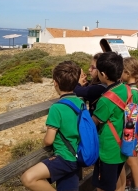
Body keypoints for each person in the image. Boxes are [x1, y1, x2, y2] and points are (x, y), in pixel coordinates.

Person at [21, 61, 84, 191]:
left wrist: (44, 142)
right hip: (77, 155)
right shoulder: (80, 102)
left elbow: (49, 140)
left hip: (64, 158)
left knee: (28, 178)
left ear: (55, 82)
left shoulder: (57, 108)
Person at [91, 52, 129, 191]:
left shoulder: (106, 100)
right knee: (112, 182)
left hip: (108, 151)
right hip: (124, 145)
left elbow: (94, 121)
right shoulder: (128, 90)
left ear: (103, 74)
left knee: (103, 187)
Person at [117, 57, 138, 191]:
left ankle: (137, 187)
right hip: (136, 130)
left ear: (127, 73)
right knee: (134, 157)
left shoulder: (130, 92)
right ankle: (136, 184)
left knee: (130, 160)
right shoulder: (136, 89)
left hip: (129, 132)